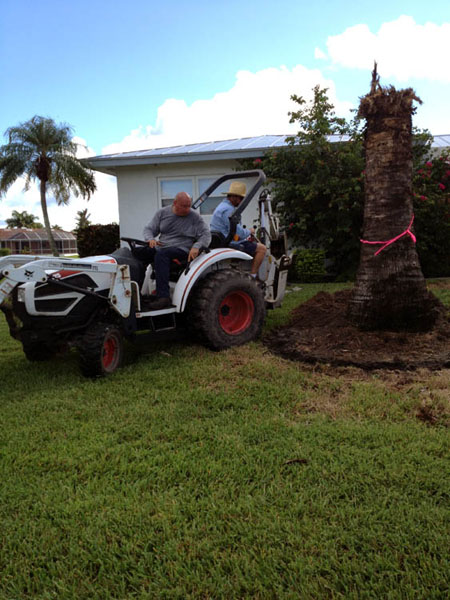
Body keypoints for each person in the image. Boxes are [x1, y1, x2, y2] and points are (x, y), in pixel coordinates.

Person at [139, 191, 211, 309]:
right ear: (175, 203)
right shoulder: (162, 213)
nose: (187, 209)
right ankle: (137, 292)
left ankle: (163, 297)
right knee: (138, 252)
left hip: (182, 249)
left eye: (189, 206)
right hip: (162, 246)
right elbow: (149, 229)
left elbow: (206, 235)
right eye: (184, 206)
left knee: (161, 255)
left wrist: (197, 246)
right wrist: (150, 239)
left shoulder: (194, 217)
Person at [210, 181, 266, 277]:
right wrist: (250, 231)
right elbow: (239, 233)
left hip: (222, 240)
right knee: (262, 249)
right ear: (234, 197)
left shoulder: (222, 206)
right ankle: (253, 277)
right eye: (241, 198)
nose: (241, 202)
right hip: (229, 243)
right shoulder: (229, 210)